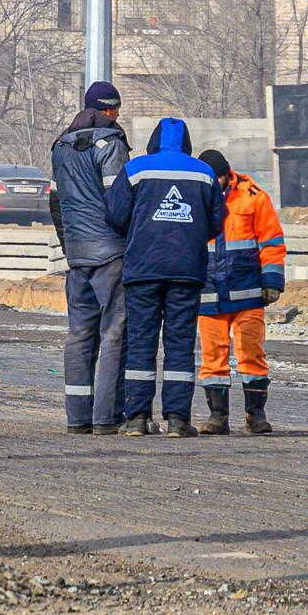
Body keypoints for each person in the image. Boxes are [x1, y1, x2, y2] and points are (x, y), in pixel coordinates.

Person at [105, 117, 218, 436]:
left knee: (141, 342)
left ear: (154, 141)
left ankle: (138, 418)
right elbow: (217, 221)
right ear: (187, 143)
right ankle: (179, 421)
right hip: (187, 272)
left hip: (143, 270)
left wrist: (141, 232)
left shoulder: (137, 169)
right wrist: (190, 236)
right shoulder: (205, 173)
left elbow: (113, 214)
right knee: (180, 344)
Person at [47, 81, 133, 434]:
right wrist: (126, 238)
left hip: (77, 255)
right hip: (110, 253)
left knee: (79, 335)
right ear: (111, 110)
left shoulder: (61, 147)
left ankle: (77, 417)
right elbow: (119, 202)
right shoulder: (110, 145)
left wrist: (69, 244)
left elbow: (55, 203)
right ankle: (106, 417)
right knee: (115, 333)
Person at [195, 148, 286, 436]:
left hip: (247, 292)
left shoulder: (253, 196)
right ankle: (218, 417)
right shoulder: (192, 197)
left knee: (252, 353)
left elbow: (271, 242)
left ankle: (255, 415)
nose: (214, 183)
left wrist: (272, 282)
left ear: (227, 174)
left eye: (218, 177)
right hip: (208, 293)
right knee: (213, 356)